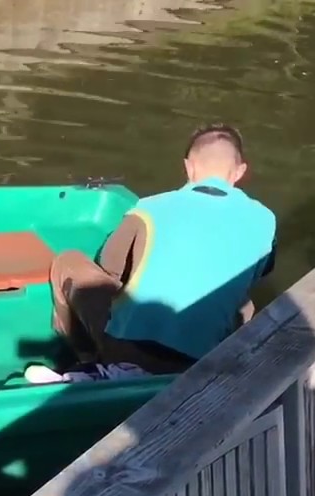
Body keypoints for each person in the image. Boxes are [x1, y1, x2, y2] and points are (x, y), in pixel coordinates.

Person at [39, 123, 276, 380]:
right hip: (204, 359)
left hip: (129, 350)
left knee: (69, 262)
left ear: (188, 166)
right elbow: (258, 274)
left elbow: (109, 265)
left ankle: (90, 359)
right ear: (240, 171)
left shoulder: (150, 208)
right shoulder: (265, 220)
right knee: (244, 302)